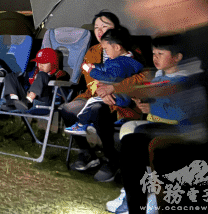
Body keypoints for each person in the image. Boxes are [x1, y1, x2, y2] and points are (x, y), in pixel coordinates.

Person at [107, 36, 199, 214]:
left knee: (136, 140)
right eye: (154, 53)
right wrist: (145, 106)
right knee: (127, 132)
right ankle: (131, 194)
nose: (155, 57)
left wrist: (152, 106)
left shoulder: (184, 80)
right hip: (155, 124)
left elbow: (179, 112)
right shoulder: (158, 75)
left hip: (175, 129)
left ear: (177, 57)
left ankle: (152, 194)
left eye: (160, 54)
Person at [59, 11, 145, 183]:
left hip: (122, 100)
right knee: (67, 109)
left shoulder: (131, 51)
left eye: (104, 26)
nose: (99, 31)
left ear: (116, 30)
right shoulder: (93, 51)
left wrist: (114, 88)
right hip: (95, 95)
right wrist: (102, 91)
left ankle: (111, 159)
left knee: (98, 109)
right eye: (96, 27)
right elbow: (90, 78)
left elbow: (141, 77)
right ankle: (87, 154)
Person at [64, 27, 144, 135]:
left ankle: (81, 125)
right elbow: (106, 67)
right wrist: (95, 65)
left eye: (106, 49)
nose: (105, 52)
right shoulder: (129, 59)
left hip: (119, 97)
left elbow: (108, 77)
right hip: (124, 95)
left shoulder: (119, 63)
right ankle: (119, 121)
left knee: (91, 103)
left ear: (117, 47)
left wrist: (90, 70)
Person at [0, 47, 68, 111]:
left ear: (53, 63)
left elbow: (61, 91)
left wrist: (41, 78)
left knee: (43, 74)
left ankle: (29, 100)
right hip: (25, 98)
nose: (40, 65)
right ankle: (13, 100)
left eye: (44, 63)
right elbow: (25, 82)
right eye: (38, 62)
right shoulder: (35, 71)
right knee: (10, 75)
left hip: (45, 98)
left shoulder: (60, 73)